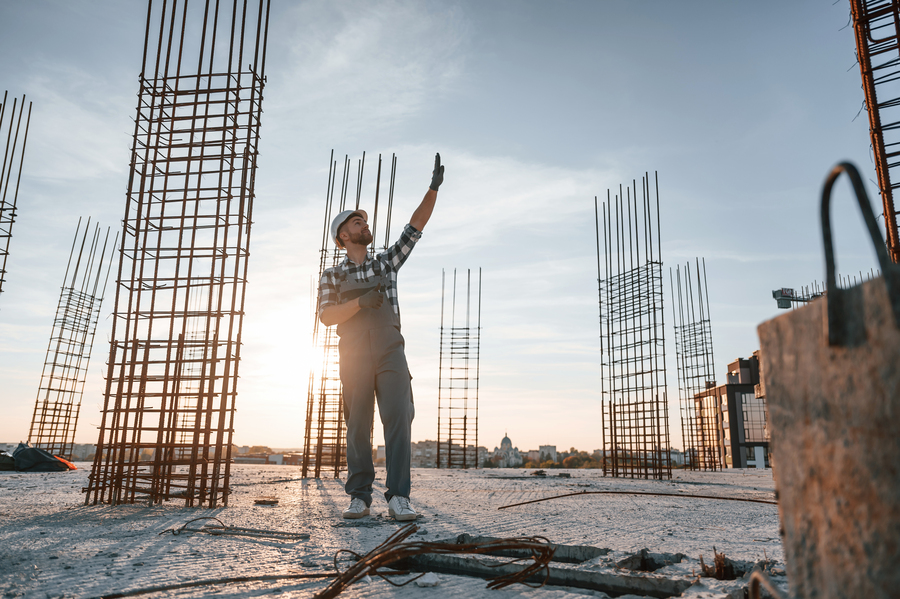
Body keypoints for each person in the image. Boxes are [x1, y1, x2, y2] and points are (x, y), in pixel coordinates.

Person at [317, 153, 444, 521]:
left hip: (390, 350)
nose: (364, 225)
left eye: (365, 222)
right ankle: (359, 497)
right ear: (344, 235)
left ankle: (398, 497)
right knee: (357, 425)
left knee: (398, 419)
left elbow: (414, 227)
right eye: (358, 222)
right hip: (354, 354)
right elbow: (327, 316)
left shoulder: (385, 263)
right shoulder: (333, 276)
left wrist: (432, 189)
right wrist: (360, 302)